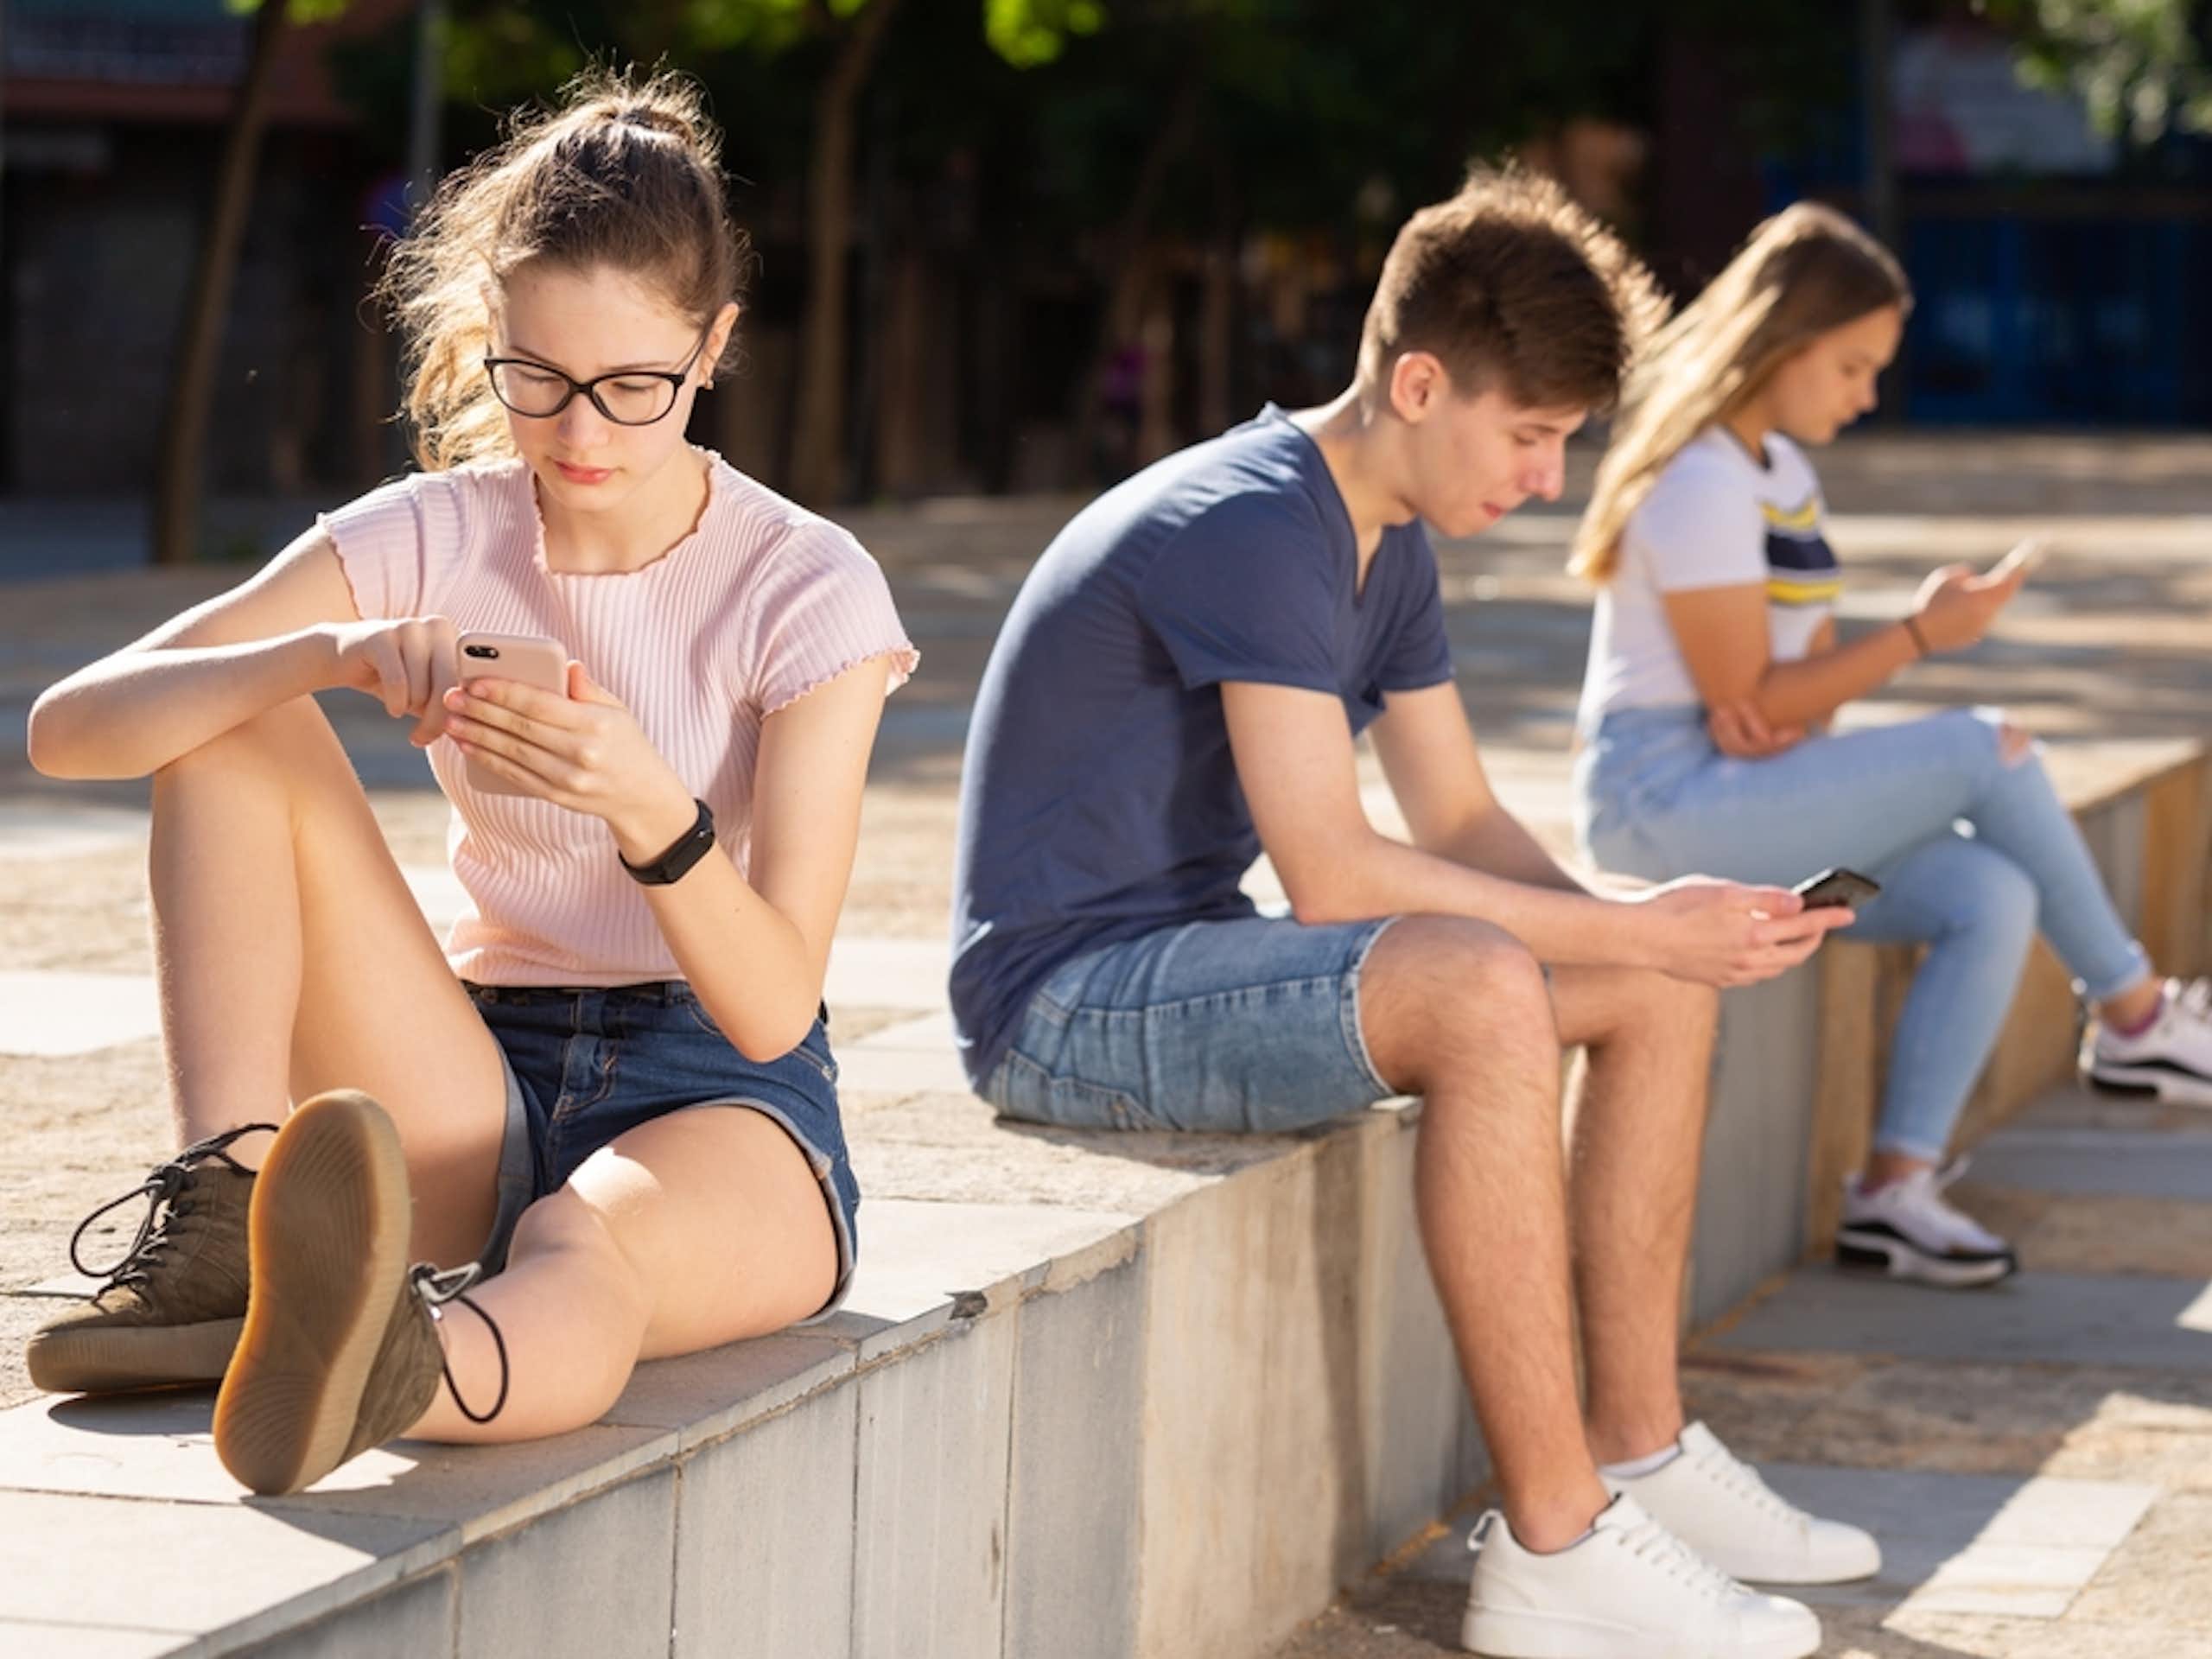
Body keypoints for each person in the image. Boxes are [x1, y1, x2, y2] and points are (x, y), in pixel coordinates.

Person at [950, 167, 1869, 1659]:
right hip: (1064, 1003)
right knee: (1484, 984)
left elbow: (1460, 821)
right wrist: (1633, 926)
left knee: (1652, 988)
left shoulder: (1388, 542)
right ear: (1420, 380)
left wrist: (1663, 925)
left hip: (1189, 953)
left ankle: (1635, 1453)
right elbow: (1339, 871)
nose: (1549, 480)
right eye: (1530, 436)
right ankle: (1558, 1545)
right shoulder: (1257, 520)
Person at [23, 71, 916, 1497]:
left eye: (635, 388)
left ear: (715, 347)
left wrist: (649, 808)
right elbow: (71, 730)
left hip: (720, 1105)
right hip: (472, 1070)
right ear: (491, 341)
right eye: (538, 382)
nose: (579, 437)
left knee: (586, 1247)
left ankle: (392, 1376)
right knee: (237, 721)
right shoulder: (440, 527)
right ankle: (227, 1227)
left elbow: (770, 1005)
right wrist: (326, 649)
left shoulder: (805, 584)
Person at [1568, 201, 2212, 1292]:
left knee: (1991, 890)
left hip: (1739, 778)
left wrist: (1794, 706)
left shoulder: (1783, 478)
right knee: (1980, 746)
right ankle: (2135, 1010)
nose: (1866, 396)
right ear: (1783, 342)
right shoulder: (1699, 482)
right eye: (1852, 367)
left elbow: (1787, 707)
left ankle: (1894, 1194)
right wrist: (1920, 635)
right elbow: (1748, 693)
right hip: (1658, 795)